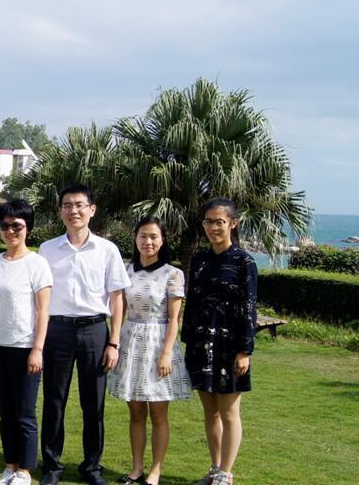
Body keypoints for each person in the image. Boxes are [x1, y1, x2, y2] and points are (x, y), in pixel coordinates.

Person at [38, 184, 131, 485]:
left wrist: (114, 341)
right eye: (67, 205)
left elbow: (117, 298)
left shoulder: (107, 250)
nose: (73, 211)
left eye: (79, 205)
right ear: (60, 211)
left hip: (95, 331)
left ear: (92, 210)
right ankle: (52, 466)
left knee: (94, 403)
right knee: (54, 401)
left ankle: (92, 467)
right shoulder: (47, 250)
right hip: (58, 330)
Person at [106, 217, 192, 485]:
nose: (148, 242)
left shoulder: (172, 274)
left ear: (162, 240)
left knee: (158, 413)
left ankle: (155, 470)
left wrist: (166, 353)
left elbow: (174, 319)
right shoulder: (125, 271)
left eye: (154, 236)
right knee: (135, 412)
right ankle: (136, 468)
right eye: (143, 236)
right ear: (135, 238)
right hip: (131, 342)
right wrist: (115, 342)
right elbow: (119, 310)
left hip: (158, 345)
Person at [181, 198, 257, 485]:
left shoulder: (244, 262)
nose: (213, 227)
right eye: (208, 222)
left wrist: (244, 350)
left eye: (219, 222)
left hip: (230, 347)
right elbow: (192, 302)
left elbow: (249, 307)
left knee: (229, 412)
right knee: (210, 411)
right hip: (201, 344)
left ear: (233, 224)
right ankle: (215, 468)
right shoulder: (200, 259)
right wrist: (187, 340)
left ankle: (226, 473)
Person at [0, 200, 52, 485]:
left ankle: (25, 471)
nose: (10, 231)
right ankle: (9, 467)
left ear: (27, 228)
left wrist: (37, 349)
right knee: (5, 412)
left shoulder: (37, 264)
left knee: (24, 412)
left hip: (24, 347)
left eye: (17, 226)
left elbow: (43, 310)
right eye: (4, 225)